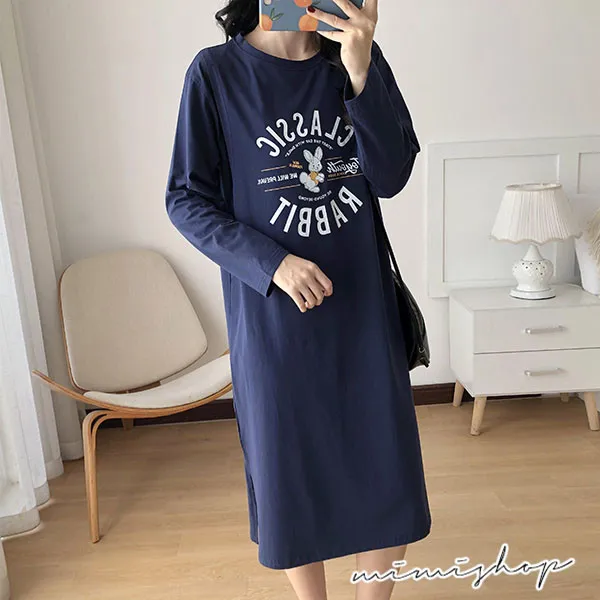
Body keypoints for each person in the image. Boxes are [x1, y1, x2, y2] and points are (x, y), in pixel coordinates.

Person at [165, 0, 431, 598]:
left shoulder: (354, 62)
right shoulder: (216, 73)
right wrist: (272, 263)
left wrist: (360, 70)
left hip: (363, 312)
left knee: (385, 472)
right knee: (288, 477)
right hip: (275, 320)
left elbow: (390, 177)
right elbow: (186, 198)